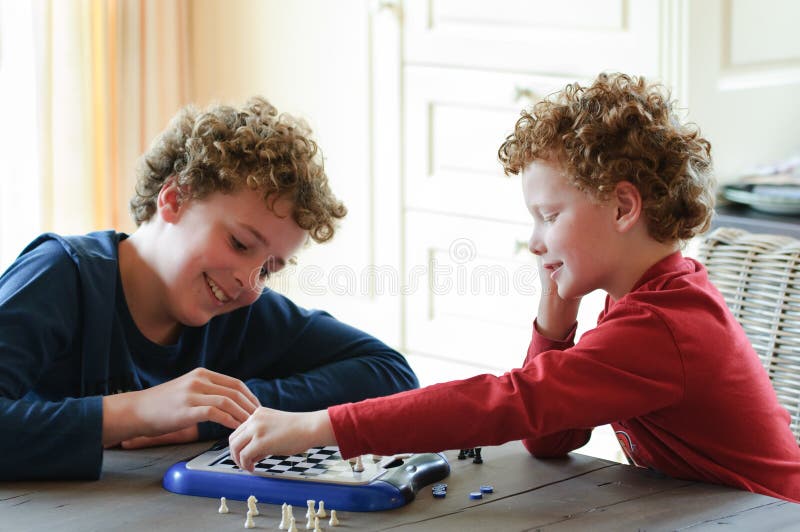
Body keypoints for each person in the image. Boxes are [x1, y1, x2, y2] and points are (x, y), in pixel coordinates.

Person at [228, 74, 800, 503]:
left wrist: (320, 425)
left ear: (624, 206)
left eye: (549, 215)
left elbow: (513, 402)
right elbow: (552, 435)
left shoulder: (662, 329)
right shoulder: (647, 300)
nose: (534, 240)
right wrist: (558, 312)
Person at [0, 97, 418, 480]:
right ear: (174, 199)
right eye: (239, 243)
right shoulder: (61, 274)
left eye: (269, 268)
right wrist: (137, 411)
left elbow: (391, 374)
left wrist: (220, 409)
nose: (248, 280)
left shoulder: (242, 310)